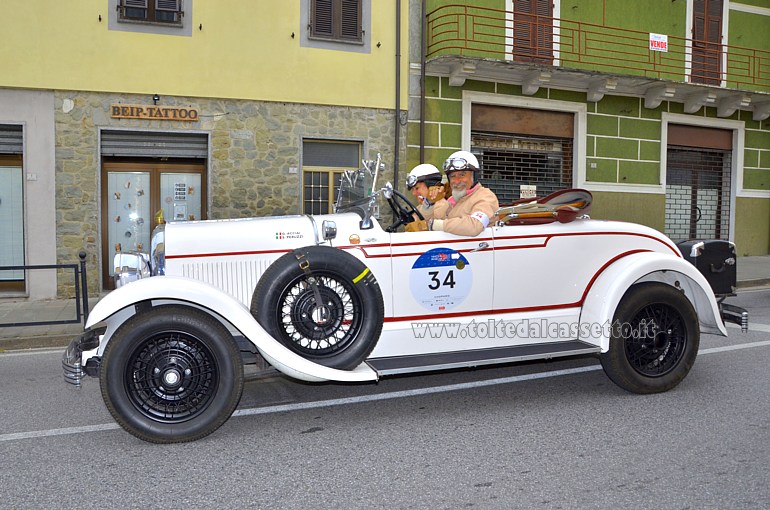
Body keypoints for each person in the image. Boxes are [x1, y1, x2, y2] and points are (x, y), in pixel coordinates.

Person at [427, 150, 499, 237]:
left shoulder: (485, 196)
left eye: (462, 175)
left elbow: (475, 226)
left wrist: (440, 225)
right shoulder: (452, 200)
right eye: (452, 176)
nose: (456, 181)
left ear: (474, 176)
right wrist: (429, 203)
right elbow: (431, 221)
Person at [404, 163, 447, 232]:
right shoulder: (421, 207)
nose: (414, 193)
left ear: (431, 186)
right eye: (413, 189)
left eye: (417, 188)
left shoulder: (443, 206)